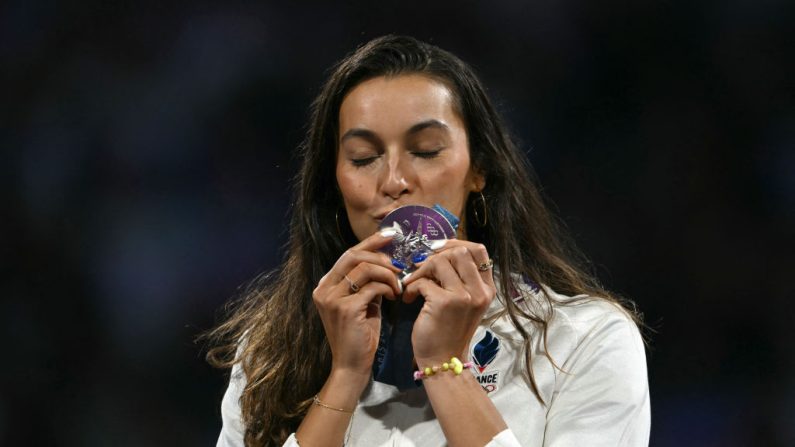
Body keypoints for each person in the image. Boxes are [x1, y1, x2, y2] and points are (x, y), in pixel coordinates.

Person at [205, 35, 650, 447]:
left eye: (426, 151)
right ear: (335, 184)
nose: (395, 180)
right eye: (364, 157)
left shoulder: (585, 342)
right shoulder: (271, 354)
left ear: (479, 169)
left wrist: (444, 367)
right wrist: (343, 376)